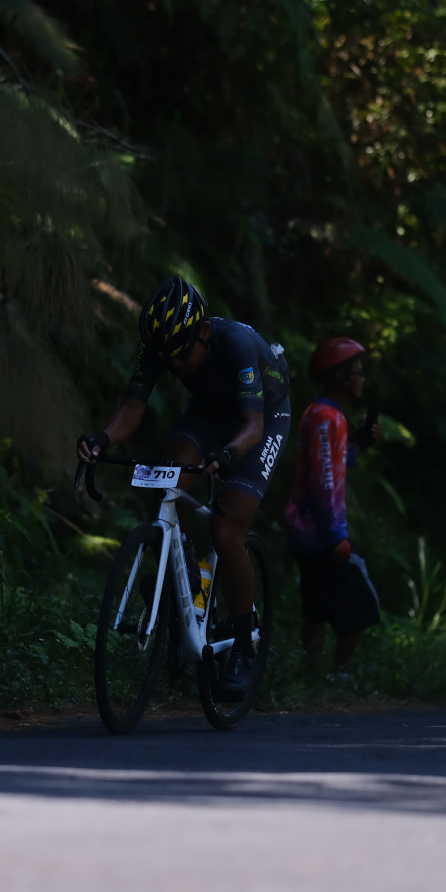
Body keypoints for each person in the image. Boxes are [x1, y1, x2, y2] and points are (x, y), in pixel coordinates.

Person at [77, 277, 291, 693]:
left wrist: (227, 454)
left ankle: (244, 645)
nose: (175, 365)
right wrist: (100, 440)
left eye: (182, 355)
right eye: (166, 358)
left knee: (226, 529)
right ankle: (187, 579)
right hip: (209, 411)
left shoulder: (235, 344)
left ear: (205, 332)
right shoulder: (160, 344)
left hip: (262, 417)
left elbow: (252, 427)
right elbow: (132, 409)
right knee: (168, 474)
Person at [283, 335, 382, 675]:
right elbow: (325, 480)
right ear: (341, 376)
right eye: (358, 372)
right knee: (364, 605)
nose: (362, 379)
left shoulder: (322, 414)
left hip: (307, 528)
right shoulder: (327, 418)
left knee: (316, 605)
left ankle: (311, 675)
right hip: (319, 532)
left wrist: (360, 444)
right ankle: (338, 674)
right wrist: (337, 536)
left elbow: (330, 461)